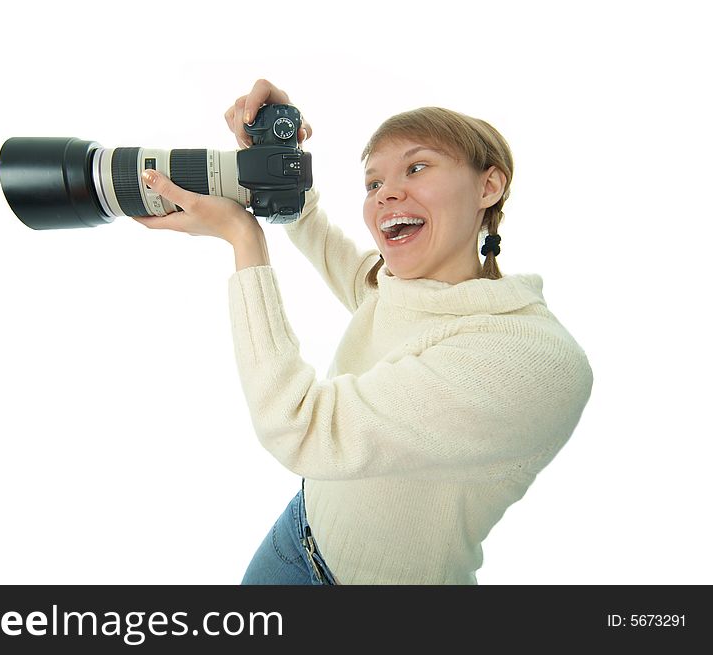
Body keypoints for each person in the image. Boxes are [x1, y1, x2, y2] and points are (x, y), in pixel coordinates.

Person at [131, 79, 593, 584]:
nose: (387, 193)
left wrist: (243, 239)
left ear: (488, 186)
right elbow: (319, 233)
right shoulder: (398, 286)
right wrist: (277, 157)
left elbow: (300, 427)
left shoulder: (525, 357)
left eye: (416, 167)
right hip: (297, 535)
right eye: (373, 184)